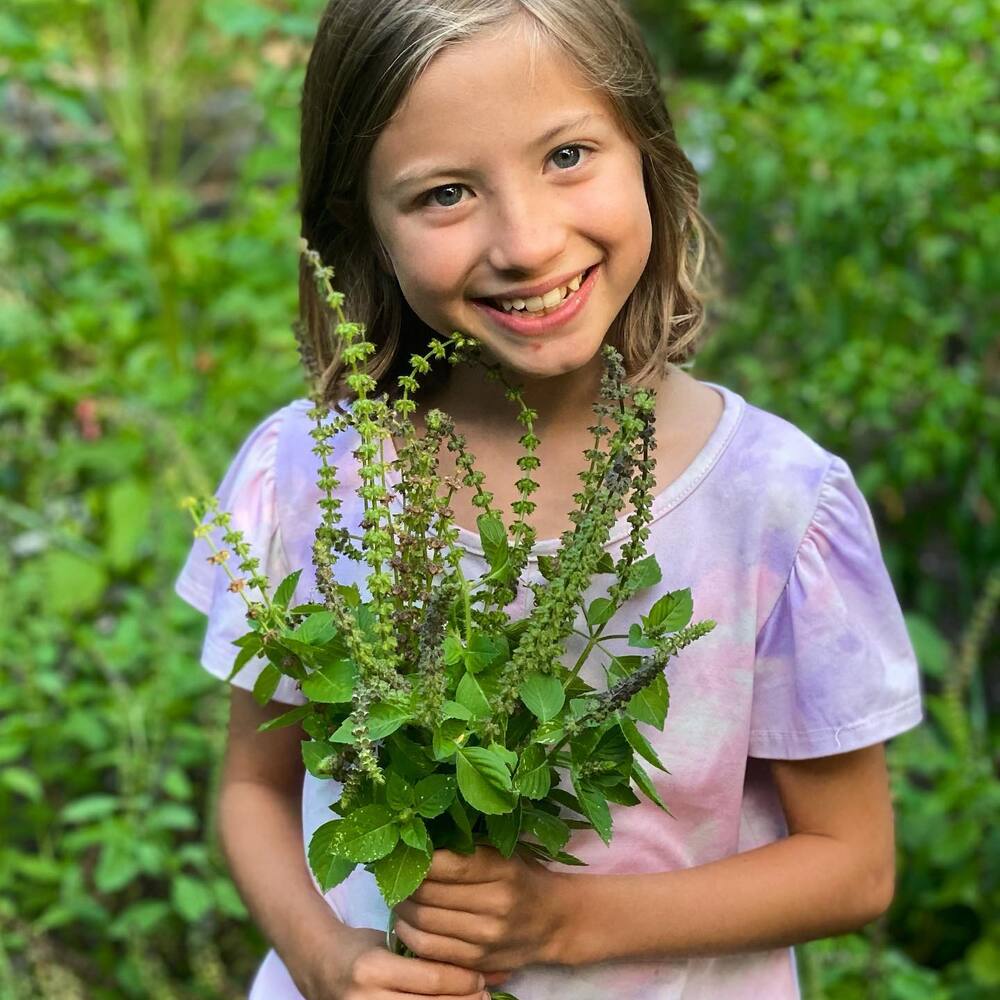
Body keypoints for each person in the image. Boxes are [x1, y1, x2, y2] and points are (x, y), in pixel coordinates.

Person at [174, 2, 924, 997]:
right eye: (444, 193)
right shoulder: (310, 475)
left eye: (567, 155)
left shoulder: (774, 506)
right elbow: (254, 791)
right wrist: (326, 959)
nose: (525, 242)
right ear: (359, 223)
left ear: (648, 154)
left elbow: (853, 863)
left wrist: (565, 917)